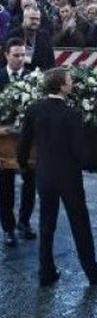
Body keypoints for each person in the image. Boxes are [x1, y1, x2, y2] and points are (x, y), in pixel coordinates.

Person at [17, 68, 97, 287]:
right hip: (69, 179)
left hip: (45, 176)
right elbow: (79, 151)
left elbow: (24, 143)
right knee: (80, 225)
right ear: (61, 85)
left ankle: (45, 273)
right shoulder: (72, 113)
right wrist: (95, 164)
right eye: (69, 80)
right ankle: (92, 272)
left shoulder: (34, 109)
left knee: (47, 226)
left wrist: (23, 165)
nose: (72, 83)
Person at [0, 38, 36, 246]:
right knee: (5, 187)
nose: (21, 59)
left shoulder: (33, 78)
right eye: (16, 55)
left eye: (23, 55)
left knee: (30, 183)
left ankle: (24, 222)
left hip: (28, 142)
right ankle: (8, 228)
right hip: (4, 143)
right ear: (6, 55)